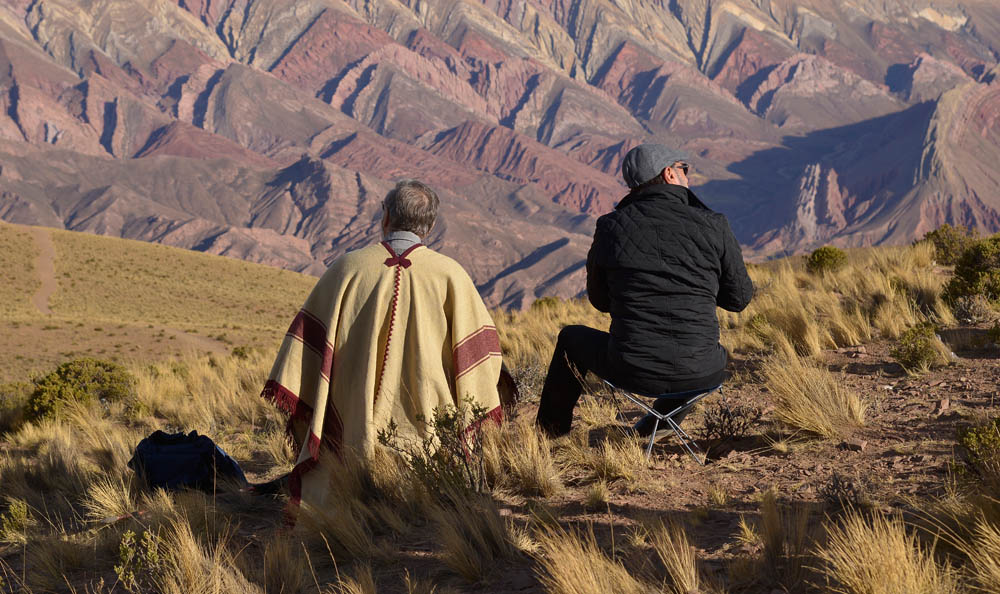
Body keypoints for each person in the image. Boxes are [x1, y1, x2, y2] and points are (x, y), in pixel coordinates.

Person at [262, 180, 504, 514]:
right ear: (430, 226)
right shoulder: (452, 276)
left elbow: (305, 350)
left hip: (350, 433)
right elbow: (482, 359)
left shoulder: (346, 269)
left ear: (385, 216)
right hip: (432, 450)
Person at [536, 143, 754, 437]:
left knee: (571, 338)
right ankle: (655, 426)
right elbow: (739, 300)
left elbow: (600, 302)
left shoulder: (610, 227)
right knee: (697, 358)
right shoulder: (714, 224)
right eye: (684, 169)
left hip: (631, 370)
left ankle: (550, 435)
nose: (688, 177)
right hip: (704, 370)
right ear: (669, 175)